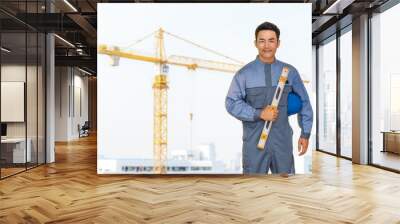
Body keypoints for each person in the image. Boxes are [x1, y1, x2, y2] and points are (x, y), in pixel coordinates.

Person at [225, 21, 313, 175]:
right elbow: (231, 103)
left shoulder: (290, 72)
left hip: (282, 142)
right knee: (253, 190)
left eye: (271, 40)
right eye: (262, 40)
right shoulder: (244, 74)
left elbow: (305, 103)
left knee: (286, 189)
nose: (267, 46)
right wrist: (258, 114)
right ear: (255, 43)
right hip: (254, 145)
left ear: (278, 43)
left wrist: (305, 134)